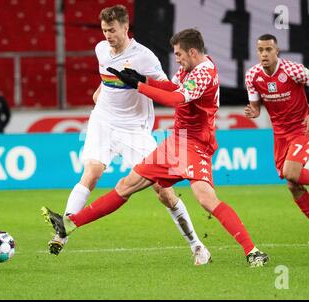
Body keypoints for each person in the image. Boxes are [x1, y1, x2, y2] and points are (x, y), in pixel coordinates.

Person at [42, 28, 269, 267]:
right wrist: (142, 80)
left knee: (206, 199)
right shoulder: (188, 69)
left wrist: (140, 87)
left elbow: (175, 100)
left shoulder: (205, 73)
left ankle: (252, 251)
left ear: (192, 52)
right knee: (126, 185)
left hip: (196, 144)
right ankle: (70, 223)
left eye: (179, 54)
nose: (177, 59)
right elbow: (172, 89)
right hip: (177, 141)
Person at [49, 5, 210, 265]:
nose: (108, 36)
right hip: (103, 120)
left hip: (134, 128)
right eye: (104, 30)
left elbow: (169, 87)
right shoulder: (101, 49)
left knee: (162, 190)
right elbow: (108, 75)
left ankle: (197, 245)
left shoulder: (145, 57)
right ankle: (63, 232)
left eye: (112, 30)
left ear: (125, 28)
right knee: (91, 172)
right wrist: (101, 89)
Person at [244, 34, 309, 243]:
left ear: (277, 51)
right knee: (292, 184)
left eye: (268, 50)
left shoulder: (293, 70)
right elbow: (255, 106)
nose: (264, 54)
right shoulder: (252, 76)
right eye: (260, 50)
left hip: (302, 128)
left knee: (291, 172)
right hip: (280, 135)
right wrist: (254, 112)